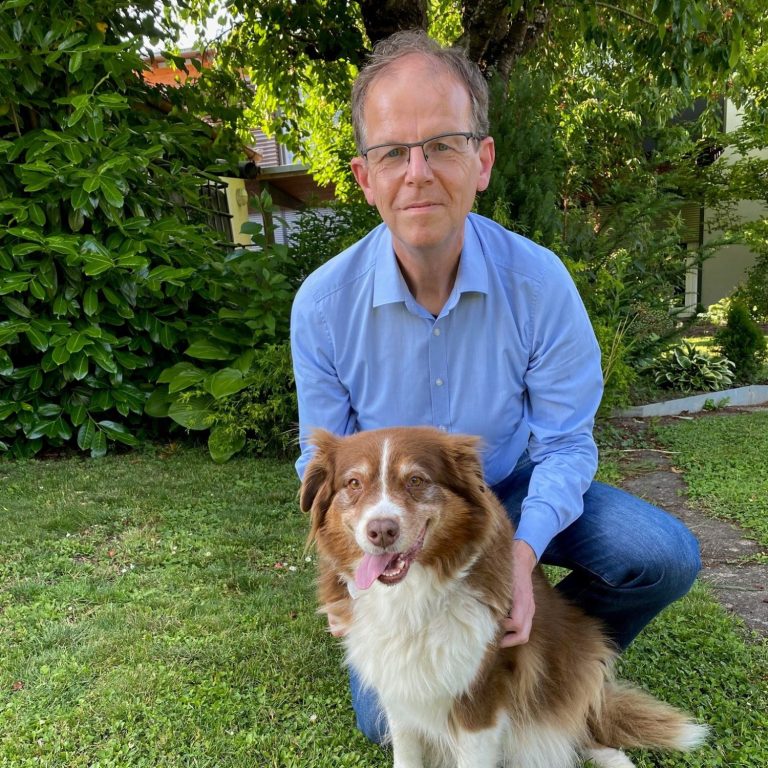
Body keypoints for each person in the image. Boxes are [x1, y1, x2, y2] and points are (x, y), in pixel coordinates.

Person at [290, 29, 701, 744]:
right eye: (392, 152)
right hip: (394, 510)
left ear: (481, 161)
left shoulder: (539, 284)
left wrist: (518, 562)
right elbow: (321, 468)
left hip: (511, 486)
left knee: (661, 557)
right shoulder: (323, 305)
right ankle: (467, 641)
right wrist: (347, 566)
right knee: (384, 721)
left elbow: (566, 444)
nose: (417, 173)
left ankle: (552, 664)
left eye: (442, 145)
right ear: (364, 176)